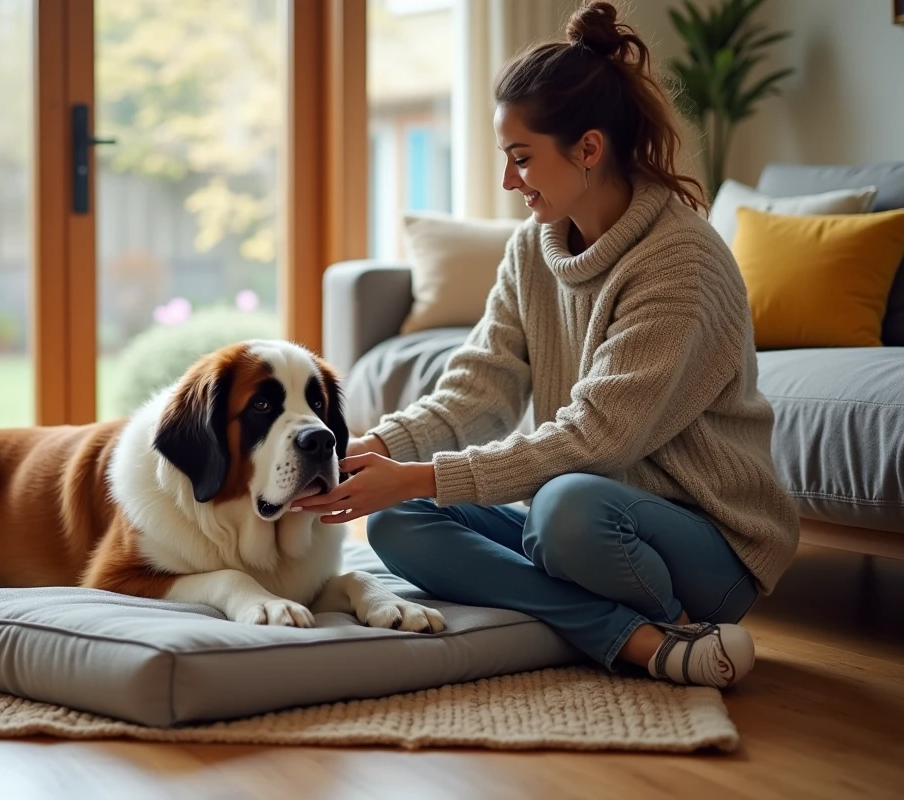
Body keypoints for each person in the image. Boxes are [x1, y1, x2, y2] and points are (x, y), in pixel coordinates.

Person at [295, 0, 800, 689]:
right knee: (396, 518)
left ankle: (656, 617)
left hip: (704, 544)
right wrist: (377, 452)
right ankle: (639, 641)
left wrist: (426, 474)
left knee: (562, 509)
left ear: (588, 149)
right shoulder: (533, 249)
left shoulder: (682, 261)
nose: (509, 181)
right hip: (579, 524)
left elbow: (599, 437)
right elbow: (478, 389)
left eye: (522, 158)